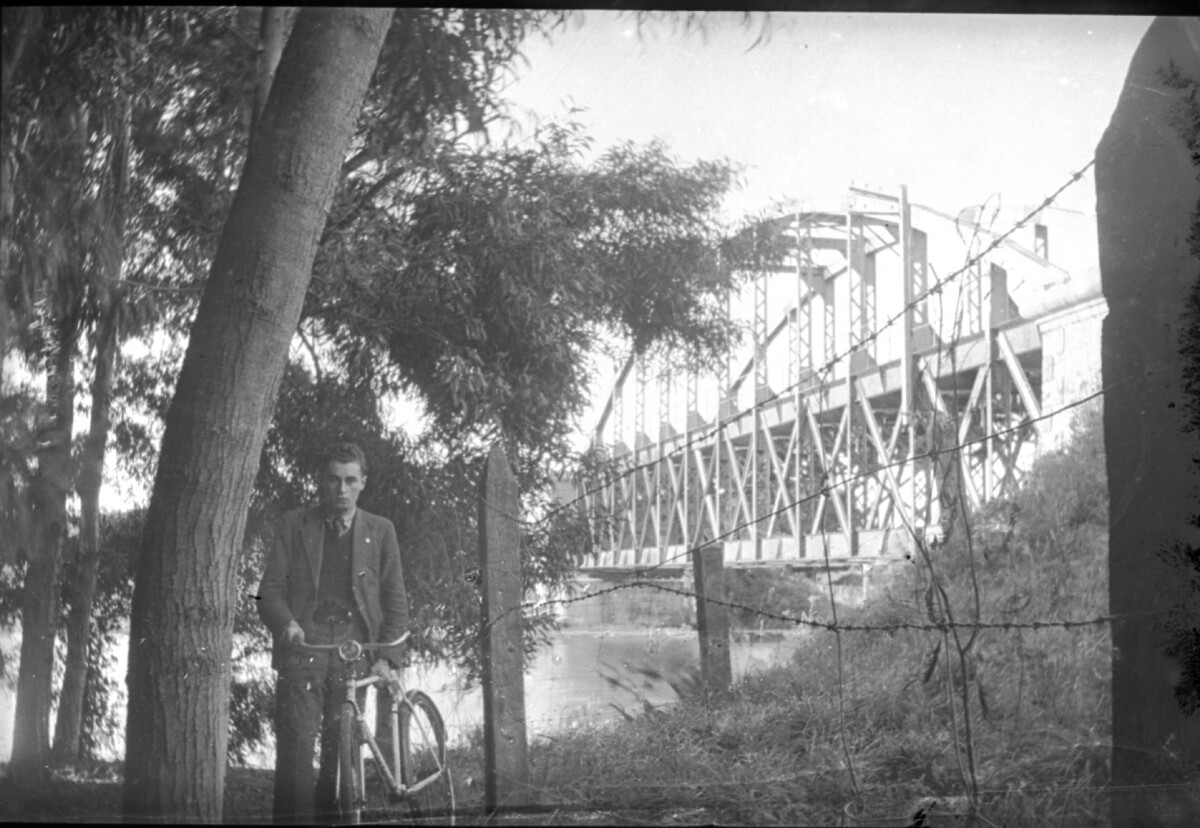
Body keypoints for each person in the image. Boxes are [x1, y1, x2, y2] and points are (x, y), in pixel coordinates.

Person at [258, 442, 410, 824]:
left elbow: (395, 600)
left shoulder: (381, 531)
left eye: (349, 480)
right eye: (333, 479)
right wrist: (286, 623)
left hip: (353, 649)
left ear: (362, 483)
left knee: (339, 752)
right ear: (320, 482)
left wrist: (386, 657)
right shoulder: (295, 526)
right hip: (305, 644)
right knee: (295, 746)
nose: (340, 489)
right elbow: (269, 590)